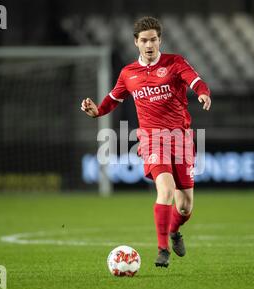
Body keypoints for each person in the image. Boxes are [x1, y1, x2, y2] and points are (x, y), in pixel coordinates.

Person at [80, 16, 211, 267]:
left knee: (184, 207)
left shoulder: (175, 62)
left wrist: (203, 93)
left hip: (180, 139)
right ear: (136, 42)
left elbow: (196, 81)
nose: (149, 44)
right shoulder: (128, 73)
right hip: (152, 139)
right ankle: (163, 250)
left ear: (159, 40)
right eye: (144, 40)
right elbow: (112, 99)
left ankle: (174, 232)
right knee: (166, 190)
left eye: (153, 39)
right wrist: (97, 110)